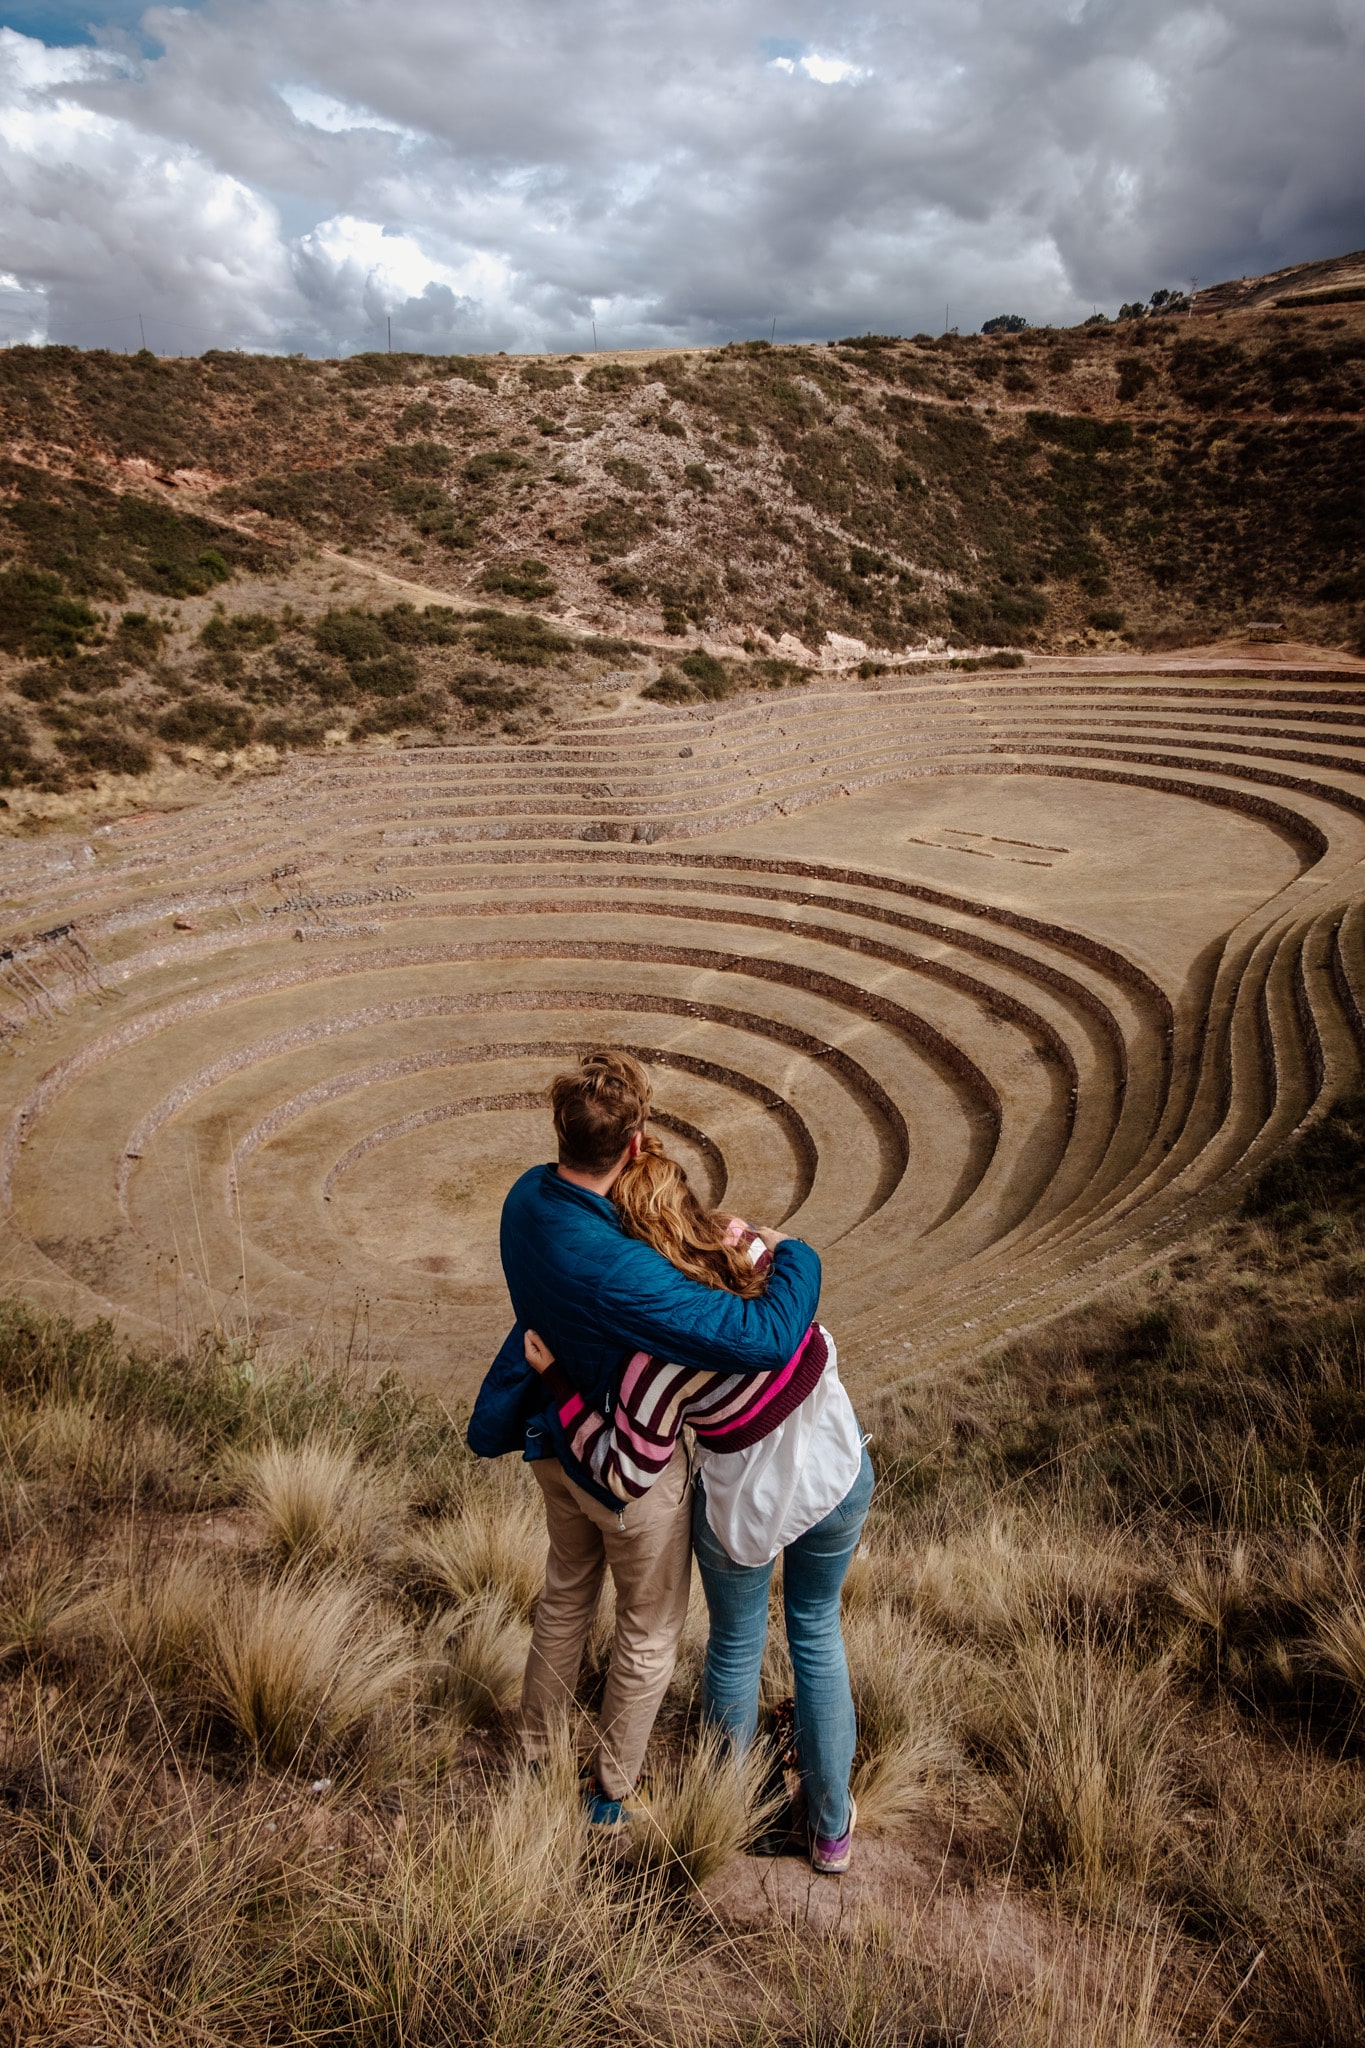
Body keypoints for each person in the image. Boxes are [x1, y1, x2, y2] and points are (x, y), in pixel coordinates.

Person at [470, 1050, 823, 1829]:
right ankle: (609, 1792)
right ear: (634, 1144)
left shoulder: (525, 1197)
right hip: (625, 1468)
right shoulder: (623, 1272)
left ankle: (534, 1758)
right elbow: (764, 1336)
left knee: (565, 1598)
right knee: (648, 1629)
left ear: (559, 1130)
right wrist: (795, 1253)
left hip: (551, 1440)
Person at [523, 1132, 873, 1876]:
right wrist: (765, 1239)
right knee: (817, 1632)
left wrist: (560, 1391)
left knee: (736, 1648)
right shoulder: (755, 1260)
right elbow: (783, 1256)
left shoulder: (653, 1358)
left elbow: (626, 1472)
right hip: (836, 1473)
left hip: (743, 1504)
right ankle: (831, 1831)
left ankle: (735, 1809)